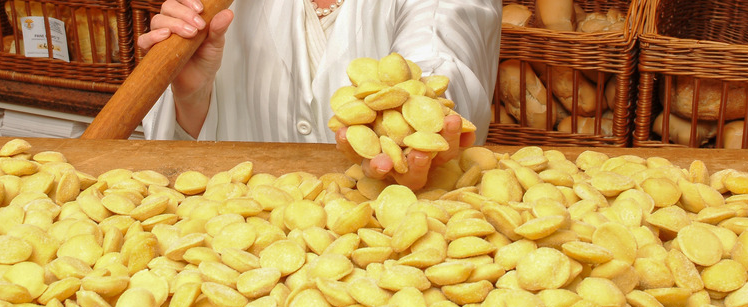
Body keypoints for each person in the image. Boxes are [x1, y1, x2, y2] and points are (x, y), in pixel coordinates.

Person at [139, 0, 501, 189]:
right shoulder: (211, 6)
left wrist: (411, 144)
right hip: (243, 258)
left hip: (388, 257)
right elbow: (178, 172)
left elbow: (438, 71)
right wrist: (192, 96)